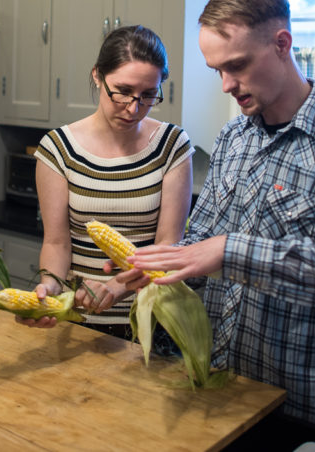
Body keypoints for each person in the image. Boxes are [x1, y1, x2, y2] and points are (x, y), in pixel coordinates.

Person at [124, 0, 315, 451]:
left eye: (237, 66)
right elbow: (202, 238)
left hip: (298, 416)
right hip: (218, 392)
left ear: (282, 43)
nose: (228, 85)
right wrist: (156, 264)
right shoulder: (233, 140)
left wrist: (231, 251)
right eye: (217, 71)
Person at [18, 24, 194, 338]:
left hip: (151, 323)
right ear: (97, 76)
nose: (134, 108)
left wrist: (117, 286)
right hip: (81, 324)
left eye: (148, 95)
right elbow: (57, 243)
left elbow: (168, 245)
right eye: (123, 91)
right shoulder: (58, 149)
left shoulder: (172, 145)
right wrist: (48, 288)